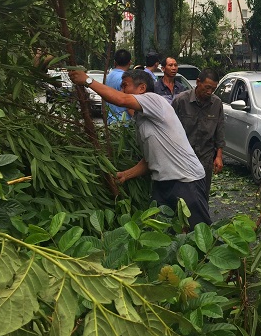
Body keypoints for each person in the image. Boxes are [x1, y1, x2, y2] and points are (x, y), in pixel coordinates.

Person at [67, 68, 212, 227]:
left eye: (125, 86)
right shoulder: (141, 120)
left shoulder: (154, 100)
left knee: (198, 233)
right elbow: (150, 160)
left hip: (187, 181)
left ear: (142, 88)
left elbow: (121, 100)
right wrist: (125, 175)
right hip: (162, 184)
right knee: (160, 234)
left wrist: (88, 81)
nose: (122, 90)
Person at [171, 69, 225, 197]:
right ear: (198, 82)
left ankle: (201, 217)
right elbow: (168, 128)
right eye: (207, 88)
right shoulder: (180, 101)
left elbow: (220, 130)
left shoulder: (216, 103)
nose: (209, 92)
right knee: (182, 195)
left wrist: (218, 156)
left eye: (213, 89)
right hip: (182, 157)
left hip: (205, 157)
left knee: (202, 195)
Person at [105, 48, 132, 124]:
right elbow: (129, 103)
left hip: (110, 120)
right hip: (124, 123)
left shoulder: (108, 77)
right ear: (130, 63)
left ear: (114, 62)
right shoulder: (126, 79)